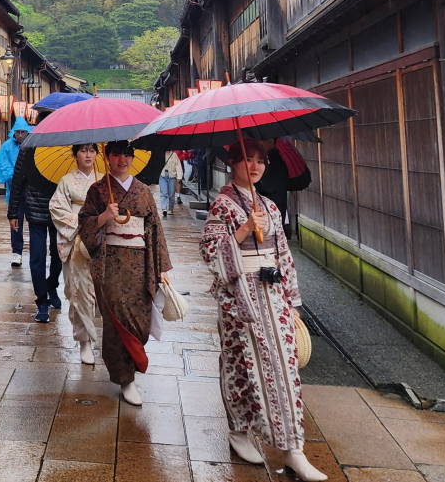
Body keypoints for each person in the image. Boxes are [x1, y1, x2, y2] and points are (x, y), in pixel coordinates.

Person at [200, 138, 325, 482]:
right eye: (247, 159)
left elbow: (283, 254)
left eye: (260, 160)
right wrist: (241, 231)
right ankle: (239, 430)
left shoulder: (269, 205)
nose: (254, 166)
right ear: (233, 164)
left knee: (283, 369)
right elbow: (211, 253)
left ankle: (293, 449)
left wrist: (293, 302)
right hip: (240, 299)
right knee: (241, 366)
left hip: (274, 298)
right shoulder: (222, 206)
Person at [79, 140, 171, 407]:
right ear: (107, 156)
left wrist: (162, 267)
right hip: (111, 266)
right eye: (117, 154)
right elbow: (84, 226)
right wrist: (103, 218)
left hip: (141, 264)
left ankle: (131, 368)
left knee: (139, 321)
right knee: (117, 321)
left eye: (127, 154)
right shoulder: (97, 191)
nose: (122, 159)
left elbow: (155, 229)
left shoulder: (143, 191)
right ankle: (125, 379)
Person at [48, 143, 101, 363]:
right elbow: (56, 207)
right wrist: (80, 224)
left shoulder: (105, 179)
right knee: (78, 290)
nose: (88, 155)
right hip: (77, 240)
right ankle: (84, 341)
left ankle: (100, 333)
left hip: (101, 239)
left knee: (100, 290)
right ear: (75, 154)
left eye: (92, 150)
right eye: (83, 150)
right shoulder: (67, 181)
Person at [7, 145, 61, 323]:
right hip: (35, 209)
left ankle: (52, 285)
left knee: (59, 254)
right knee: (37, 256)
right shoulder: (28, 147)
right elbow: (18, 180)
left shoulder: (65, 145)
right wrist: (13, 213)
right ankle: (42, 300)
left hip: (59, 210)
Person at [255, 138, 312, 238]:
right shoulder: (271, 159)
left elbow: (268, 188)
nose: (258, 143)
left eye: (260, 140)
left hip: (272, 213)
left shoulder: (276, 161)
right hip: (271, 215)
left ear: (270, 141)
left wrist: (255, 183)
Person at [0, 117, 32, 267]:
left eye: (23, 132)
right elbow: (2, 164)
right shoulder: (7, 146)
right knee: (15, 221)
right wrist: (16, 177)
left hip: (30, 191)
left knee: (34, 222)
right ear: (13, 132)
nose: (20, 135)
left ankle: (33, 250)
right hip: (15, 190)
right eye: (18, 132)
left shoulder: (32, 146)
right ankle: (17, 252)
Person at [158, 149, 181, 217]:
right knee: (163, 193)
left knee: (171, 194)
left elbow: (178, 166)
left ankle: (170, 209)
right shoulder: (161, 154)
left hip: (172, 176)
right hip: (162, 175)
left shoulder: (174, 155)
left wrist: (179, 176)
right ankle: (164, 208)